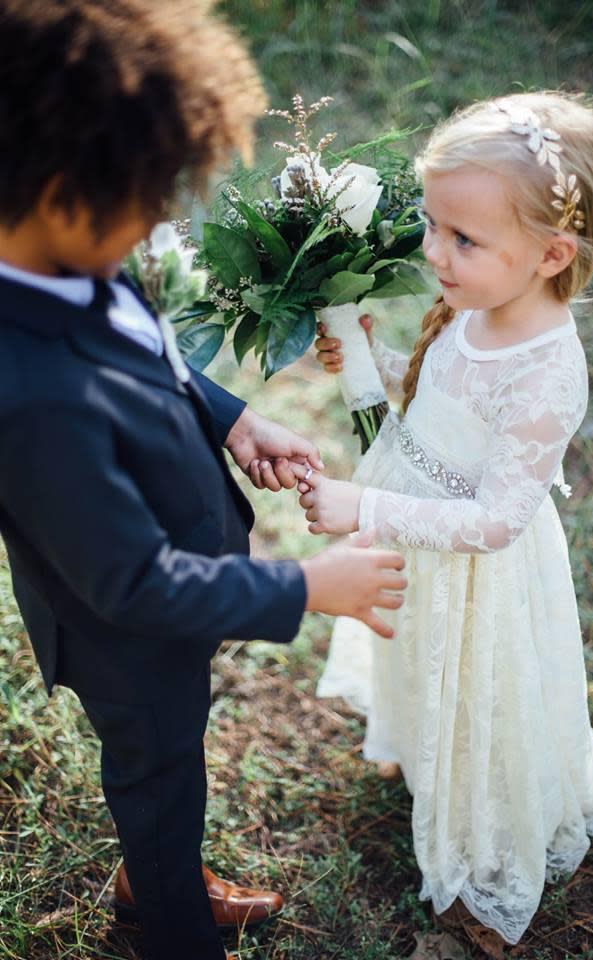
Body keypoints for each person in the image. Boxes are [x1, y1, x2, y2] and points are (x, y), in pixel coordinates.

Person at [0, 4, 407, 960]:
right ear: (64, 190)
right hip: (124, 633)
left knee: (179, 740)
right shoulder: (28, 393)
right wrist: (311, 587)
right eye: (148, 198)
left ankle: (159, 869)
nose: (159, 220)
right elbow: (132, 582)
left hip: (175, 593)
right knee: (158, 766)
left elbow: (153, 361)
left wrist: (235, 419)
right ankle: (170, 918)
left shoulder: (74, 264)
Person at [297, 91, 593, 946]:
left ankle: (481, 855)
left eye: (463, 239)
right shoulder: (479, 309)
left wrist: (362, 505)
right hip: (422, 549)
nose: (433, 252)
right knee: (416, 665)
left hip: (479, 581)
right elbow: (434, 413)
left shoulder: (548, 372)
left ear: (552, 254)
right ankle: (414, 741)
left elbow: (493, 522)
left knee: (476, 703)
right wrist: (370, 357)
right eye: (433, 225)